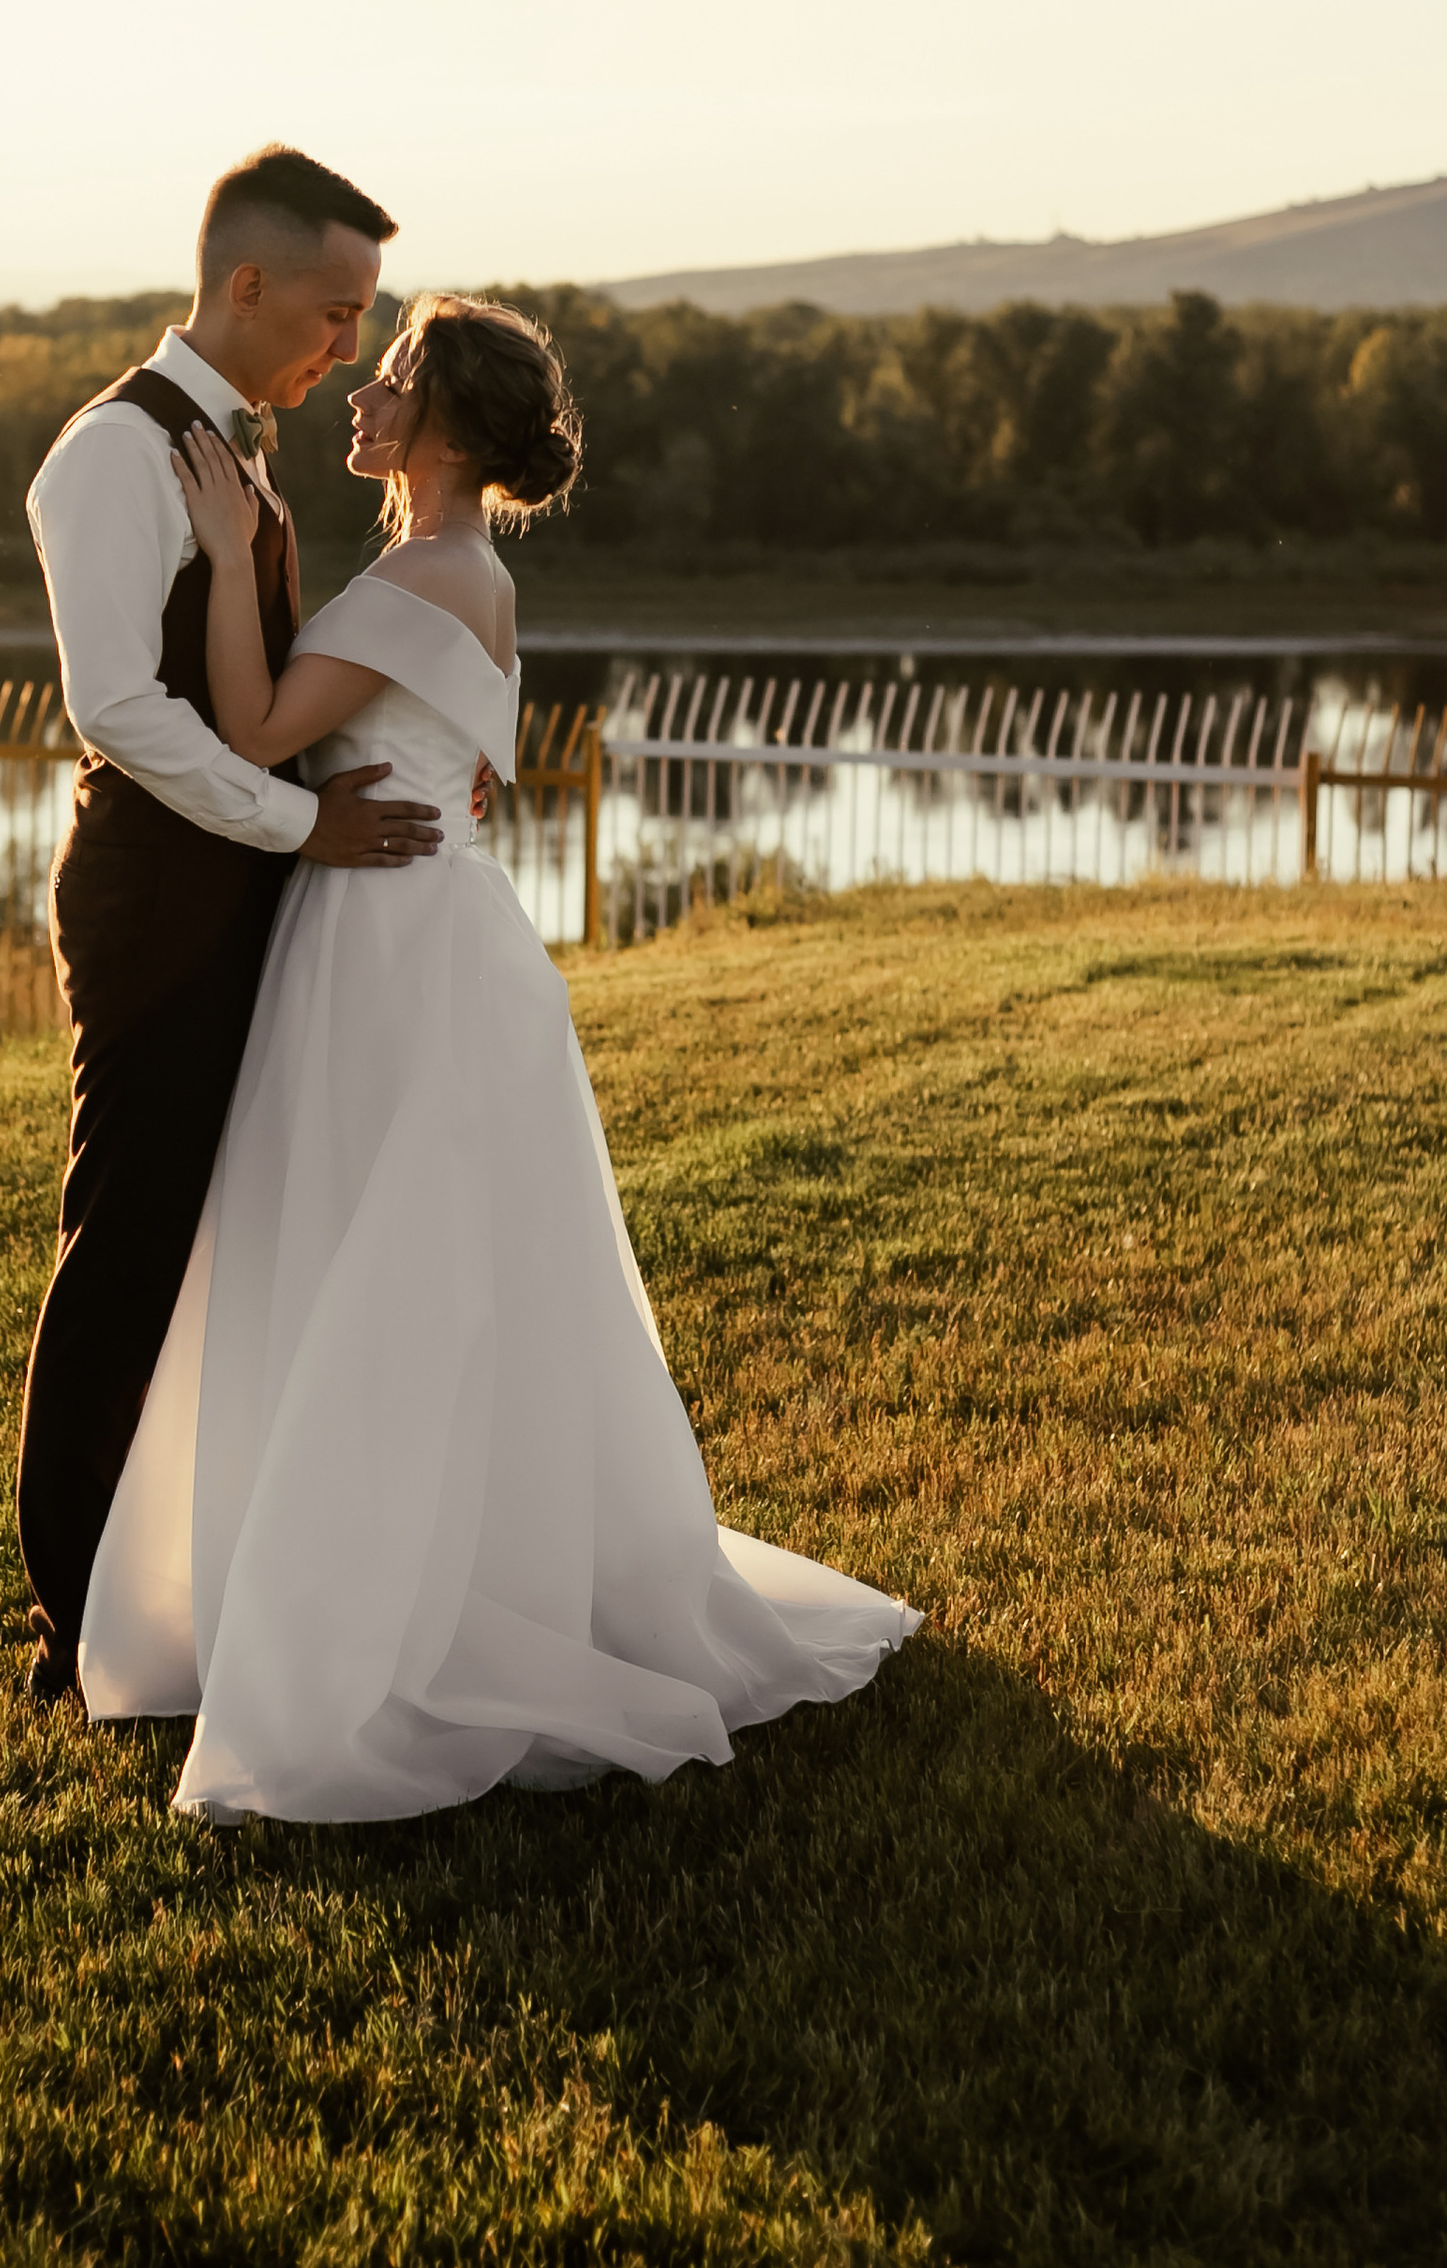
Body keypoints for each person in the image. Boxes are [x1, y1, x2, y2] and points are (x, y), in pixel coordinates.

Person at [76, 289, 919, 1821]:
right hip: (406, 931)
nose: (364, 392)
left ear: (448, 427)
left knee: (386, 1273)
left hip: (394, 954)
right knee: (405, 1270)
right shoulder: (440, 569)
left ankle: (394, 1611)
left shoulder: (430, 573)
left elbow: (258, 731)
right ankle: (371, 1567)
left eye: (391, 377)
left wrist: (212, 553)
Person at [17, 146, 444, 1706]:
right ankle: (74, 1621)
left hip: (242, 888)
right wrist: (303, 824)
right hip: (157, 900)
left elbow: (258, 693)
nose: (345, 347)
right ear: (246, 284)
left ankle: (186, 1570)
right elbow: (120, 706)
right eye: (335, 313)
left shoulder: (235, 455)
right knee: (126, 1241)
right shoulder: (112, 457)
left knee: (214, 1242)